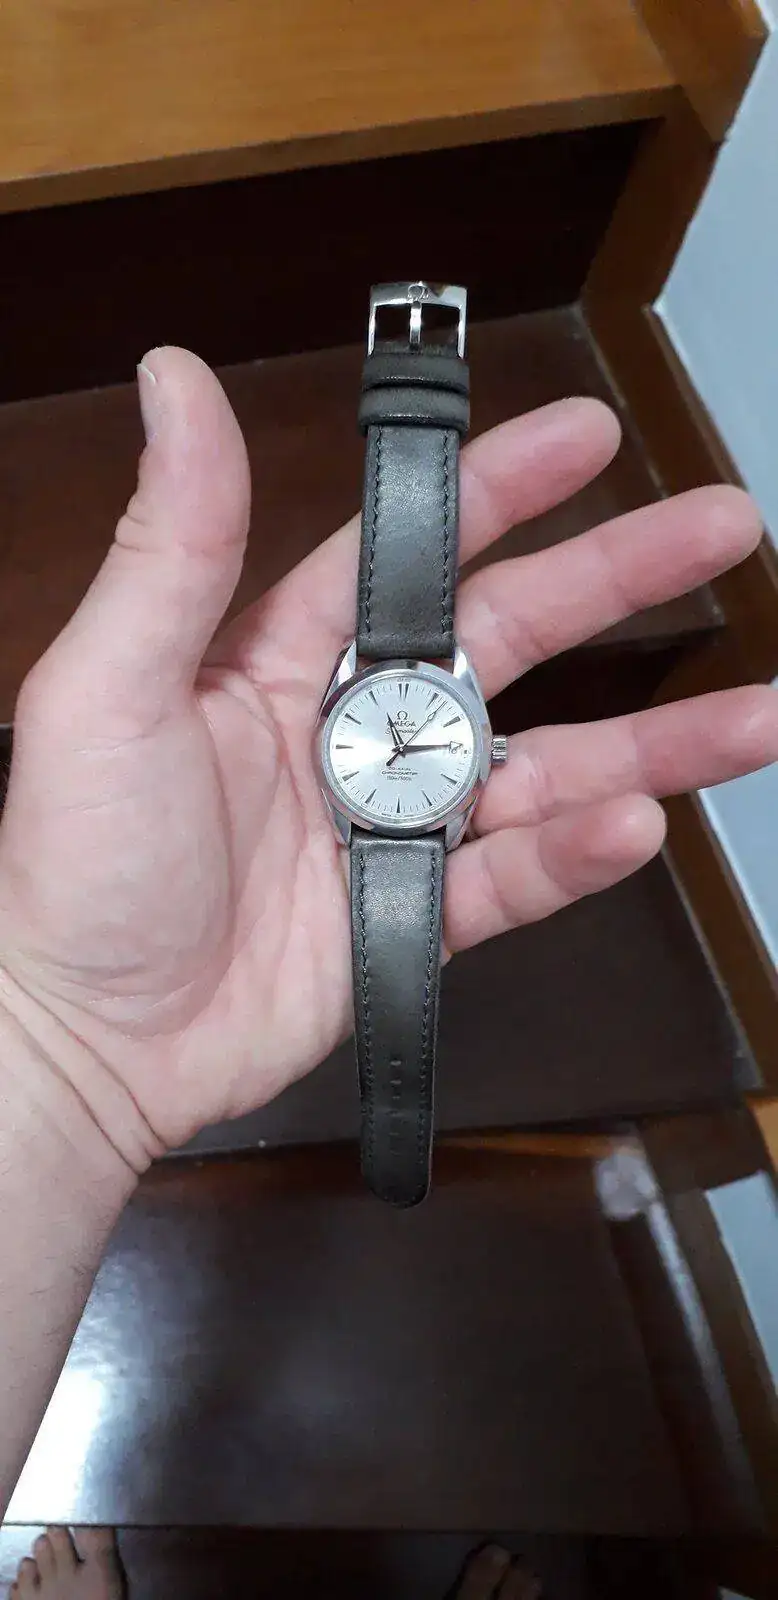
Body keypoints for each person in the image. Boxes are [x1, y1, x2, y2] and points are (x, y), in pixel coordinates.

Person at [1, 348, 776, 1596]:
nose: (418, 747)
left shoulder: (409, 740)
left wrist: (55, 1052)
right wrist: (55, 1044)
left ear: (476, 753)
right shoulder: (394, 740)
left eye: (435, 745)